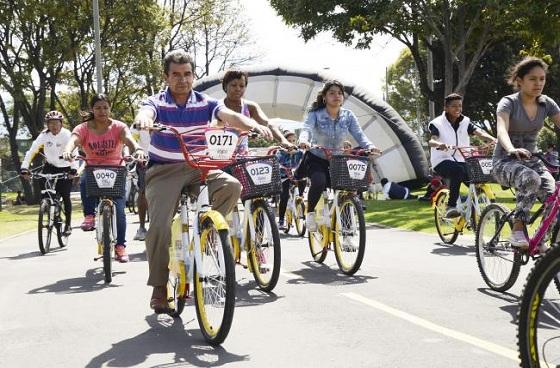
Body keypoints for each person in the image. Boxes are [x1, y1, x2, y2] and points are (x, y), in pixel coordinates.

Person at [133, 50, 273, 313]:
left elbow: (229, 116)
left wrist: (250, 125)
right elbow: (146, 113)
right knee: (160, 225)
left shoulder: (206, 101)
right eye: (175, 75)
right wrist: (144, 121)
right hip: (164, 170)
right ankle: (159, 287)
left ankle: (206, 234)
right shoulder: (156, 101)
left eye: (187, 74)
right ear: (166, 77)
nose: (182, 80)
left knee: (232, 186)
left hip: (199, 167)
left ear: (193, 76)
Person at [63, 94, 145, 263]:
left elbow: (129, 140)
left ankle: (120, 247)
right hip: (93, 169)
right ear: (92, 110)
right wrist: (67, 150)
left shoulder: (118, 127)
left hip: (116, 170)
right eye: (98, 108)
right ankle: (89, 215)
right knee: (84, 179)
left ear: (110, 109)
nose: (102, 111)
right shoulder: (83, 128)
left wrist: (137, 148)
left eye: (105, 107)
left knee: (120, 211)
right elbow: (73, 140)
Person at [492, 56, 560, 250]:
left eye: (542, 78)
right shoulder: (508, 103)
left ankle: (540, 239)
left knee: (554, 194)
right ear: (520, 81)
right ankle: (518, 228)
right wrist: (511, 148)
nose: (538, 83)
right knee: (530, 179)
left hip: (532, 161)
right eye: (532, 79)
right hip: (504, 161)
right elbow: (501, 130)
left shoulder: (546, 104)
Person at [298, 80, 381, 231]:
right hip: (316, 157)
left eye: (339, 93)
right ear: (324, 97)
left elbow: (359, 135)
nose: (336, 96)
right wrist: (303, 140)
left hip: (338, 160)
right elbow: (307, 128)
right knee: (319, 181)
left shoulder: (349, 116)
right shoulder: (315, 114)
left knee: (346, 192)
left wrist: (370, 146)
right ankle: (309, 214)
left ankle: (348, 233)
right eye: (331, 93)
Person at [428, 93, 496, 218]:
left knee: (477, 178)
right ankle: (451, 206)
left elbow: (479, 133)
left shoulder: (465, 122)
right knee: (457, 171)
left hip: (462, 158)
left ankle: (473, 211)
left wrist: (493, 139)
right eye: (454, 106)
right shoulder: (437, 123)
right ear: (446, 108)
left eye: (460, 106)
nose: (458, 109)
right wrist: (440, 144)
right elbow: (432, 140)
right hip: (442, 160)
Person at [20, 111, 78, 235]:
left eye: (56, 123)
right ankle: (50, 210)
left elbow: (74, 153)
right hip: (50, 166)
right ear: (47, 124)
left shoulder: (67, 135)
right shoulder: (44, 135)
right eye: (51, 123)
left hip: (66, 167)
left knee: (65, 195)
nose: (54, 126)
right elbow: (31, 151)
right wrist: (24, 168)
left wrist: (74, 169)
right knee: (45, 193)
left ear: (61, 124)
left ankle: (68, 225)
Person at [219, 69, 292, 150]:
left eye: (242, 86)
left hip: (242, 158)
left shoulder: (250, 107)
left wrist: (283, 140)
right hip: (216, 157)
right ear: (225, 86)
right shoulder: (216, 106)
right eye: (233, 85)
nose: (238, 89)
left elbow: (267, 123)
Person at [276, 130, 306, 230]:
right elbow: (277, 160)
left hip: (294, 176)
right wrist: (286, 153)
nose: (292, 143)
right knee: (284, 197)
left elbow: (306, 157)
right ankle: (281, 220)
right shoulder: (280, 152)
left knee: (303, 179)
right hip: (283, 177)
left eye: (294, 141)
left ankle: (301, 197)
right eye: (289, 141)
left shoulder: (299, 152)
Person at [129, 124, 151, 241]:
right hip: (145, 161)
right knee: (143, 193)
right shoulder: (138, 124)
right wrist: (134, 154)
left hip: (167, 161)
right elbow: (131, 140)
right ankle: (142, 228)